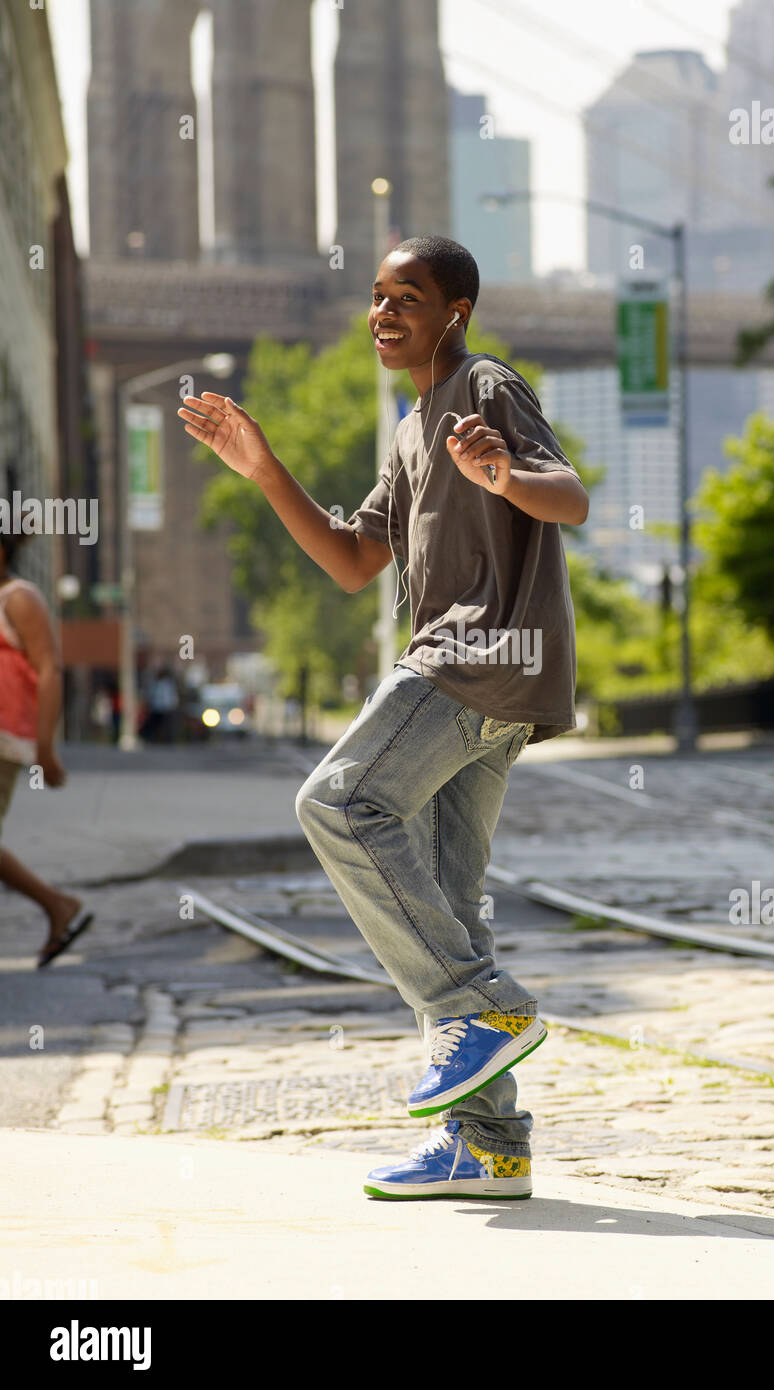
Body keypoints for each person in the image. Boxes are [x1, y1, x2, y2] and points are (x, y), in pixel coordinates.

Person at [178, 235, 588, 1201]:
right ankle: (487, 1147)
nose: (383, 312)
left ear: (458, 311)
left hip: (474, 660)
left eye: (409, 295)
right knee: (444, 900)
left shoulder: (486, 385)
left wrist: (504, 479)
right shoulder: (410, 432)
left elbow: (566, 498)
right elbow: (355, 560)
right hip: (480, 681)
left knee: (338, 803)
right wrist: (264, 467)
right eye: (375, 296)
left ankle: (480, 1011)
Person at [0, 526, 94, 966]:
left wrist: (45, 748)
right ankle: (57, 906)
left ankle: (57, 905)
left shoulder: (18, 598)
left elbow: (50, 670)